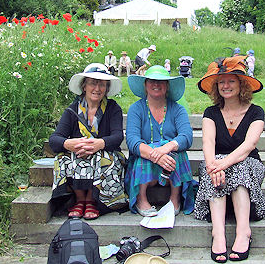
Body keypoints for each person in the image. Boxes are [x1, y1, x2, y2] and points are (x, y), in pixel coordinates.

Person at [194, 56, 265, 262]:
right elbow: (208, 143)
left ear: (241, 84)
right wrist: (214, 165)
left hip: (248, 165)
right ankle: (218, 234)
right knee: (219, 164)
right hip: (216, 166)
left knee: (240, 166)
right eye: (221, 82)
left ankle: (243, 232)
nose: (225, 86)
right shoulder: (211, 112)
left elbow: (249, 146)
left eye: (231, 81)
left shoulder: (256, 112)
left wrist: (222, 164)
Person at [49, 63, 127, 220]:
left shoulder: (113, 108)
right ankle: (80, 200)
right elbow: (55, 139)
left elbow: (117, 136)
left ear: (106, 88)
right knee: (64, 158)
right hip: (79, 156)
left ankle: (92, 201)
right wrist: (70, 144)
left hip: (104, 157)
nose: (97, 88)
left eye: (102, 84)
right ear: (84, 86)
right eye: (93, 83)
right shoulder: (72, 110)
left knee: (101, 158)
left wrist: (99, 144)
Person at [125, 65, 196, 217]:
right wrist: (154, 154)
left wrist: (164, 149)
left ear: (167, 86)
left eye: (161, 81)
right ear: (145, 85)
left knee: (176, 152)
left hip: (170, 164)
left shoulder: (178, 109)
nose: (156, 84)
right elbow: (132, 140)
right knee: (142, 152)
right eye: (151, 81)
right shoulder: (136, 109)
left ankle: (175, 197)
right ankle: (141, 198)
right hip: (145, 163)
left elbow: (186, 136)